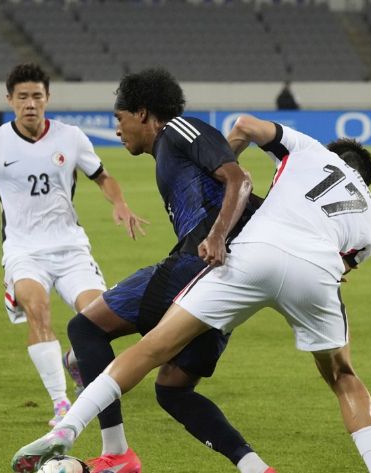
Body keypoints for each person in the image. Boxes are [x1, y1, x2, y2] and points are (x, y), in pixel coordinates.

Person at [12, 115, 371, 473]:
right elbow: (344, 266)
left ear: (333, 154)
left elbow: (245, 125)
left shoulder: (311, 151)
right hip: (316, 271)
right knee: (343, 376)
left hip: (252, 254)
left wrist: (219, 162)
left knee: (152, 348)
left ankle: (68, 429)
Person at [17, 68, 268, 473]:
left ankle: (116, 454)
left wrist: (218, 236)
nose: (118, 130)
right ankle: (255, 467)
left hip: (197, 265)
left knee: (86, 327)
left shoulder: (178, 130)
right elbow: (240, 192)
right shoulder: (171, 152)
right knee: (173, 389)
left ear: (144, 113)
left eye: (120, 119)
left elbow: (238, 180)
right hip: (225, 286)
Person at [0, 63, 146, 426]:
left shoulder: (70, 137)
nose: (30, 103)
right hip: (24, 251)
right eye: (22, 97)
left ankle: (74, 361)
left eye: (37, 96)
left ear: (47, 97)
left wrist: (120, 203)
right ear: (10, 100)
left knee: (101, 319)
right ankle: (61, 403)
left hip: (71, 249)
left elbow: (103, 177)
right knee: (38, 308)